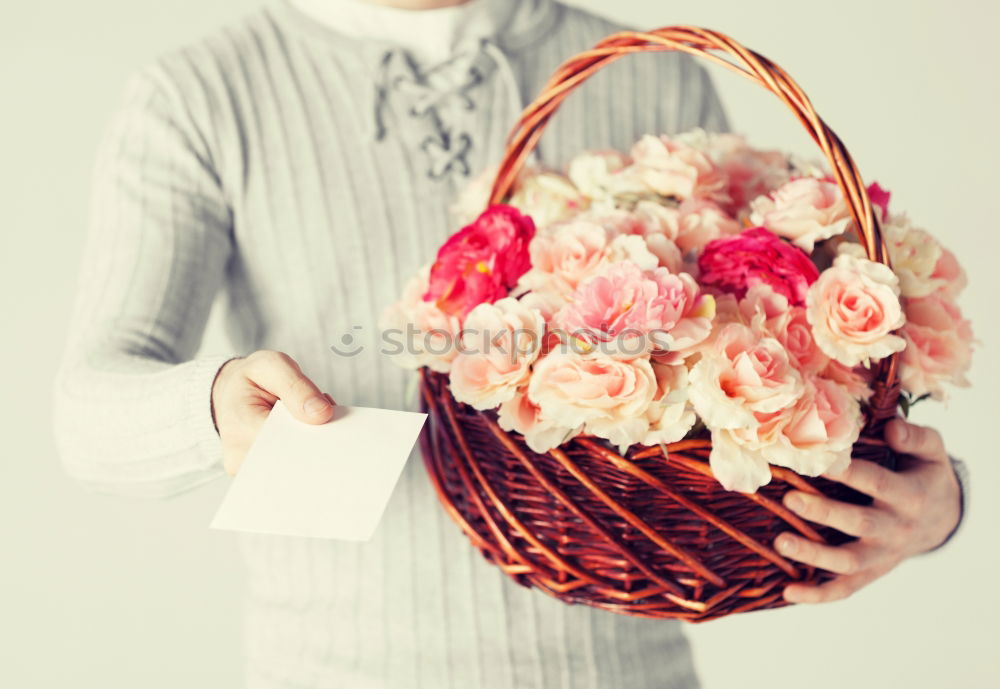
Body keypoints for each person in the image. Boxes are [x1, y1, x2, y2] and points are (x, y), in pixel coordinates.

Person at [53, 0, 967, 687]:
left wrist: (932, 505)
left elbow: (757, 379)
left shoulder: (644, 71)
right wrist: (211, 408)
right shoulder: (199, 94)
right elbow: (88, 410)